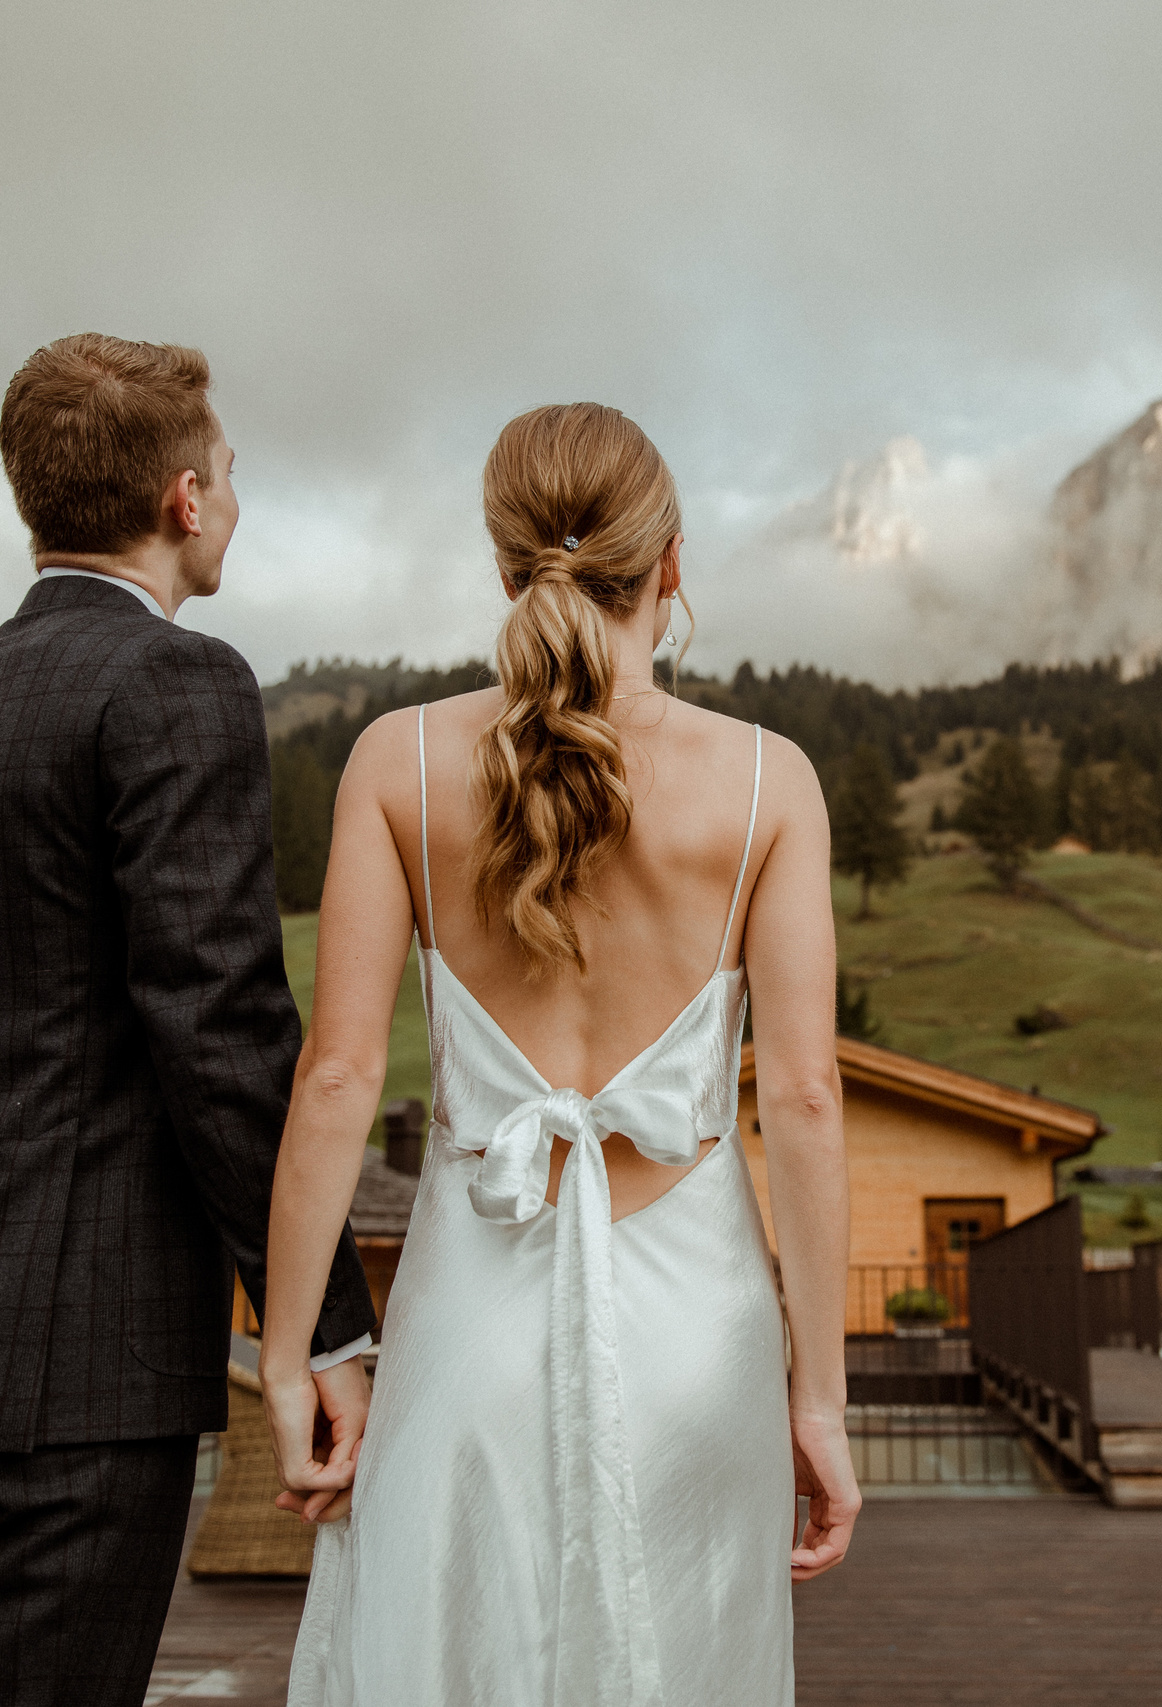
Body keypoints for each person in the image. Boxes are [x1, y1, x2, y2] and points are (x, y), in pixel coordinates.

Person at [0, 334, 379, 1706]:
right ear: (183, 498)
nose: (236, 500)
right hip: (68, 1373)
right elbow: (221, 1026)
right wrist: (324, 1329)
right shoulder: (174, 683)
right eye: (231, 474)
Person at [267, 403, 859, 1705]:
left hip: (468, 1328)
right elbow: (806, 1101)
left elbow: (338, 1080)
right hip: (698, 1348)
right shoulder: (771, 783)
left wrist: (290, 1351)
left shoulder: (395, 765)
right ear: (674, 565)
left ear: (502, 566)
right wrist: (820, 1398)